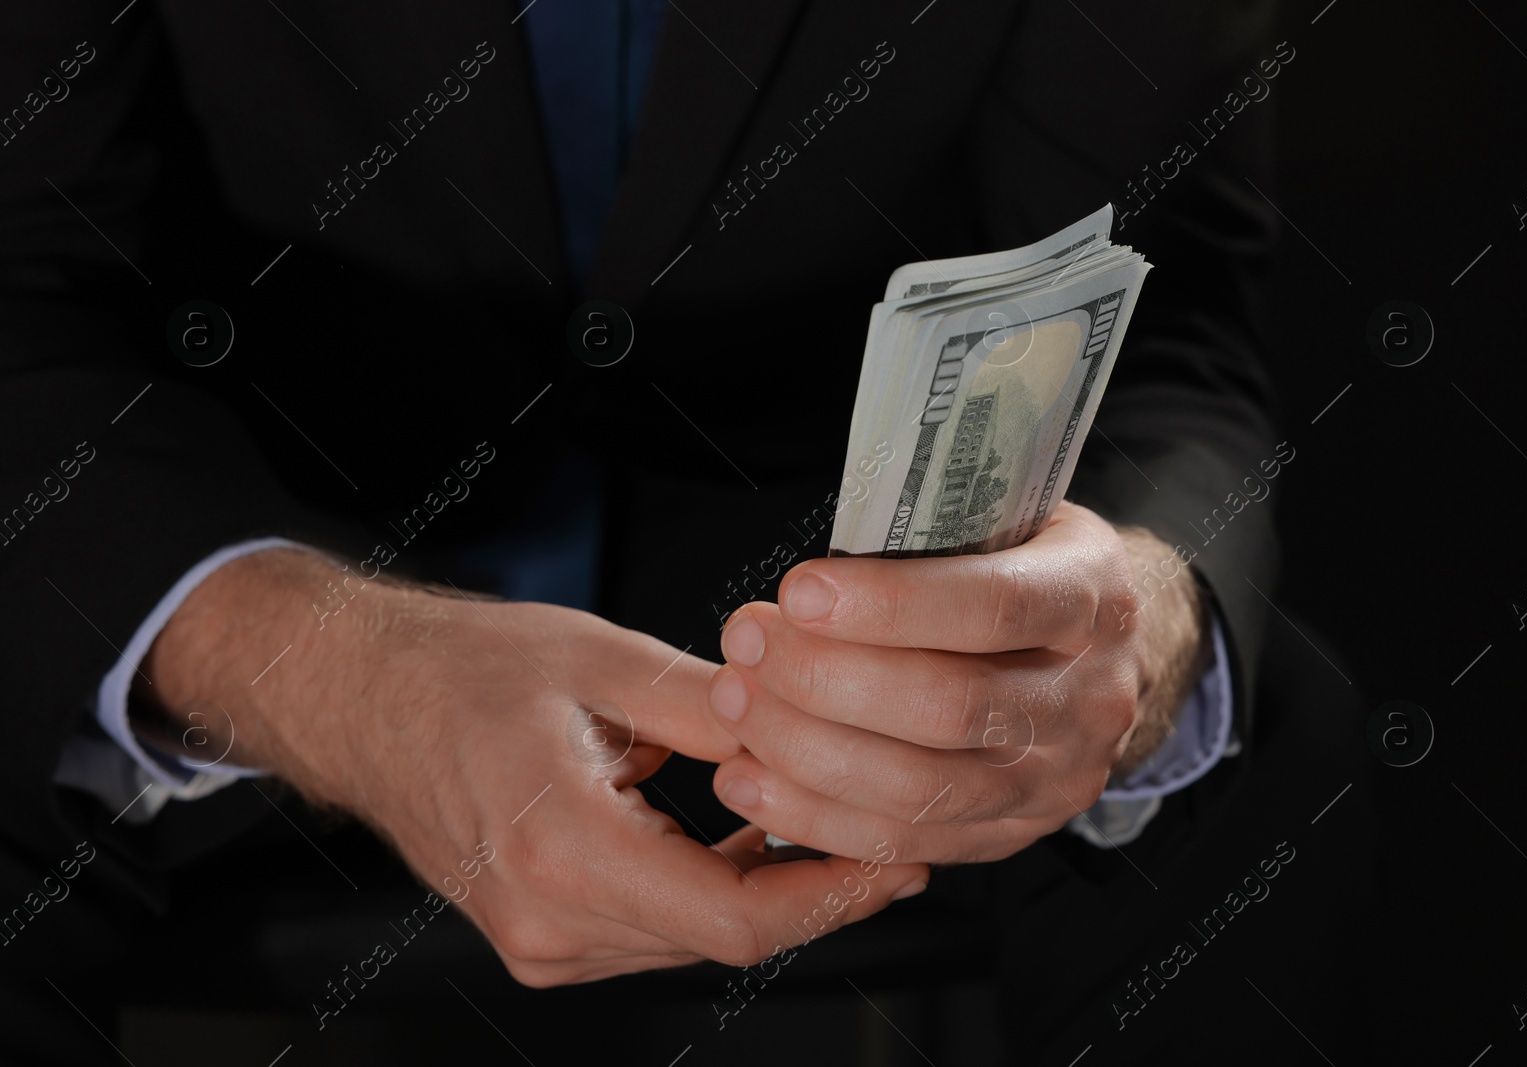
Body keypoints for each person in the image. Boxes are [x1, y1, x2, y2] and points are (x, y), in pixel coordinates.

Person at [0, 1, 1287, 1059]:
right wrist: (320, 670)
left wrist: (1128, 621)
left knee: (1253, 744)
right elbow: (23, 293)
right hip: (220, 559)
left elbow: (1162, 307)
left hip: (814, 603)